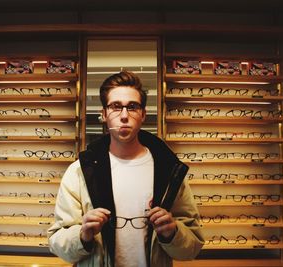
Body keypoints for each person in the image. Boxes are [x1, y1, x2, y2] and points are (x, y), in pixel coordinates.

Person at [48, 71, 204, 267]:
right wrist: (82, 235)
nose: (124, 116)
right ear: (104, 114)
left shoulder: (169, 170)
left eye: (132, 107)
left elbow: (193, 245)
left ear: (143, 114)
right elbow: (57, 242)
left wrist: (172, 232)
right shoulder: (80, 171)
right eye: (115, 107)